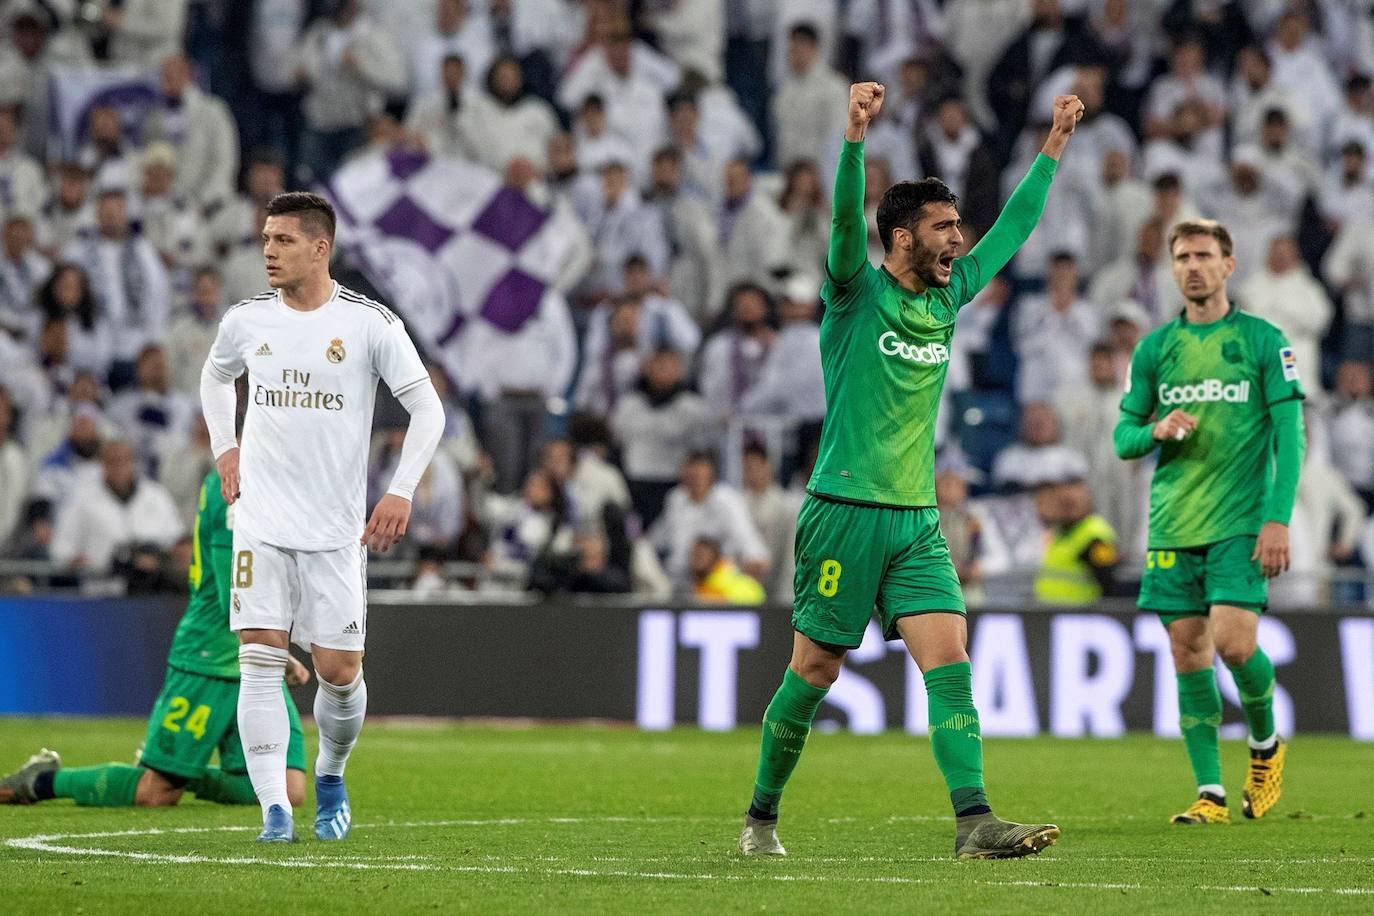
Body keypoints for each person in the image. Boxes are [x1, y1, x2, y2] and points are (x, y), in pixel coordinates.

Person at [738, 83, 1082, 861]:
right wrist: (854, 137)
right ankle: (761, 816)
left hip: (918, 519)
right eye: (944, 226)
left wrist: (1055, 141)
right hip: (844, 510)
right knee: (815, 670)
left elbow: (1017, 226)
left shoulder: (950, 295)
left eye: (959, 225)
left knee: (950, 660)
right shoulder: (854, 294)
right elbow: (838, 222)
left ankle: (974, 823)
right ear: (900, 237)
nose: (960, 238)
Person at [200, 192, 444, 843]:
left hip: (335, 532)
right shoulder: (247, 321)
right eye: (266, 239)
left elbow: (429, 411)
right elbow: (214, 378)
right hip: (259, 522)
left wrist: (400, 491)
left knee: (339, 673)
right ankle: (274, 811)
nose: (269, 252)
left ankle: (331, 771)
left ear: (320, 247)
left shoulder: (369, 324)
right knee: (257, 659)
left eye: (283, 240)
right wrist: (226, 445)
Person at [1114, 219, 1305, 825]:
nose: (1191, 266)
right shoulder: (1154, 349)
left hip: (1240, 523)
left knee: (1233, 643)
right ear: (1172, 268)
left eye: (1203, 255)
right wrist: (1155, 430)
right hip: (1173, 525)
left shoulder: (1263, 340)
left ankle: (1265, 744)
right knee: (1187, 653)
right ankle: (1211, 795)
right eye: (1181, 257)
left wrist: (1278, 519)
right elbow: (1122, 437)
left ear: (1229, 264)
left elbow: (1291, 437)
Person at [0, 468, 310, 810]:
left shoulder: (266, 477)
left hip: (253, 655)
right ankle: (44, 780)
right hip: (211, 658)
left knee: (287, 788)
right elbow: (232, 598)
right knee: (156, 793)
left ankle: (183, 769)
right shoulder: (232, 483)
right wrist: (281, 657)